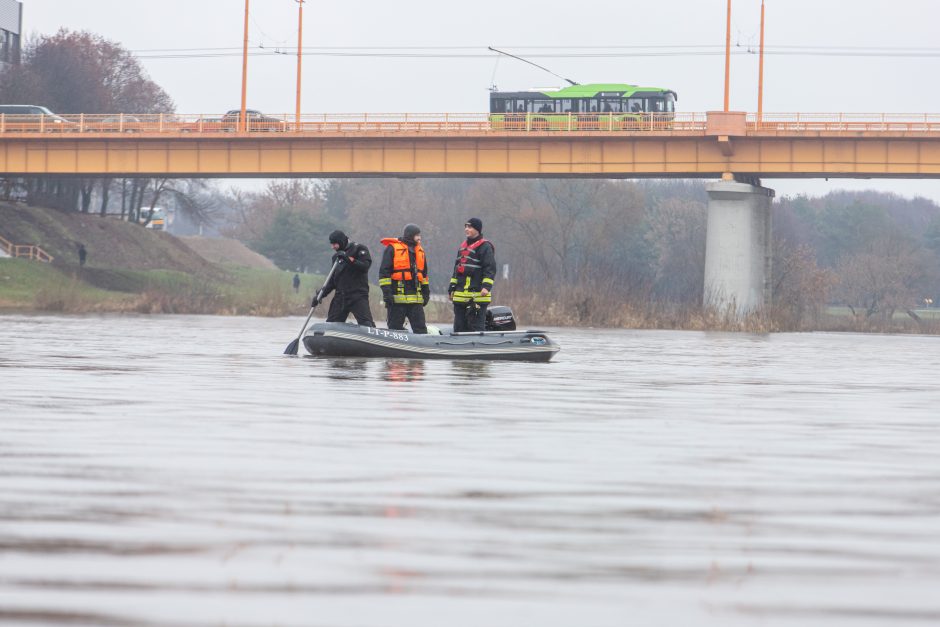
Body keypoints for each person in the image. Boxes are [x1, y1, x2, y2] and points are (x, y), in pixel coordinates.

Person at [313, 230, 375, 327]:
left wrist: (347, 258)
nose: (333, 247)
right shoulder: (336, 257)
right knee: (331, 326)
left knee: (367, 325)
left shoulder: (360, 249)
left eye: (335, 244)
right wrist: (320, 295)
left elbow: (365, 267)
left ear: (341, 242)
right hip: (340, 297)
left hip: (357, 296)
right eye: (331, 244)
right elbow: (332, 282)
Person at [379, 224, 430, 334]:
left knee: (421, 330)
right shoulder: (392, 249)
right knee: (394, 329)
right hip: (396, 300)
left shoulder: (420, 252)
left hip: (415, 301)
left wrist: (426, 293)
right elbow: (384, 273)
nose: (419, 238)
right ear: (410, 235)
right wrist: (387, 294)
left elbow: (424, 275)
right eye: (417, 235)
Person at [448, 218, 496, 332]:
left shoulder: (485, 247)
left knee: (476, 327)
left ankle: (477, 348)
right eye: (466, 227)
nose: (466, 229)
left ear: (477, 229)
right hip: (460, 296)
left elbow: (490, 268)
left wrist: (486, 287)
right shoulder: (462, 247)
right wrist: (452, 289)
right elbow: (456, 270)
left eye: (469, 227)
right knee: (459, 327)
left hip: (477, 296)